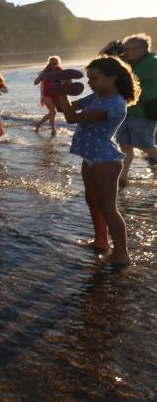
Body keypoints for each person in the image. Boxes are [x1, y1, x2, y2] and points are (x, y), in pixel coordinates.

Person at [57, 56, 139, 266]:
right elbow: (65, 108)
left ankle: (122, 253)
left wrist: (61, 93)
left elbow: (72, 118)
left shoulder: (115, 103)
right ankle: (101, 241)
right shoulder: (96, 97)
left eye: (94, 78)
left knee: (108, 207)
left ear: (112, 78)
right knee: (92, 201)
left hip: (106, 160)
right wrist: (59, 89)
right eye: (88, 78)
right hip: (91, 157)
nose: (89, 83)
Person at [116, 34, 157, 183]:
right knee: (125, 145)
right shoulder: (131, 62)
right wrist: (107, 52)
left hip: (143, 112)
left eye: (128, 49)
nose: (124, 53)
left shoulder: (151, 62)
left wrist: (115, 58)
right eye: (123, 49)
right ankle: (122, 176)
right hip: (127, 111)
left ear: (142, 49)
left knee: (143, 144)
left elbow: (124, 78)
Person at [34, 56, 62, 135]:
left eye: (54, 63)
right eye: (51, 63)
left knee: (52, 112)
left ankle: (38, 125)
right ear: (48, 63)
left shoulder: (60, 71)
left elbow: (66, 81)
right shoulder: (44, 72)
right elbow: (35, 83)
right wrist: (40, 76)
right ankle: (53, 129)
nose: (52, 65)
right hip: (46, 94)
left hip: (55, 95)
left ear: (58, 64)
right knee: (53, 111)